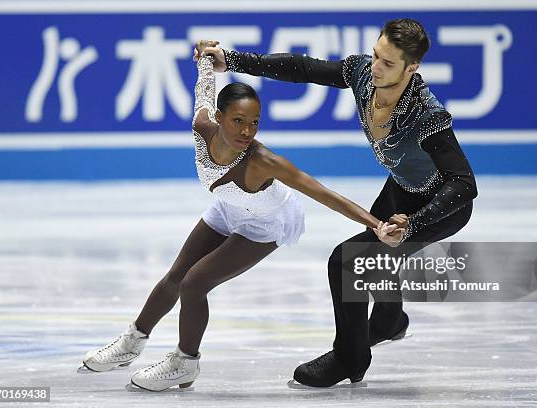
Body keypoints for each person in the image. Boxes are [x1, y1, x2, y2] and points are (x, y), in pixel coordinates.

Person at [80, 41, 405, 392]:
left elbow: (323, 194)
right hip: (226, 207)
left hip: (265, 223)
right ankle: (132, 342)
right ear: (219, 118)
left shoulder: (263, 160)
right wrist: (206, 57)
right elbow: (204, 85)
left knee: (194, 283)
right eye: (237, 121)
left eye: (254, 123)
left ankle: (184, 363)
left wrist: (375, 225)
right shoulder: (202, 126)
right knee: (176, 275)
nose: (247, 131)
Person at [199, 17, 478, 387]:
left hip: (439, 207)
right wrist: (233, 60)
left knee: (346, 263)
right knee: (376, 258)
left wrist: (412, 223)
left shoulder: (427, 116)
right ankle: (390, 321)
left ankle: (351, 358)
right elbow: (303, 68)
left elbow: (463, 183)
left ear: (412, 67)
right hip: (400, 188)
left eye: (389, 63)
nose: (376, 67)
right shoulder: (364, 74)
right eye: (377, 55)